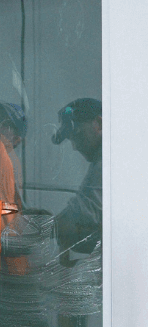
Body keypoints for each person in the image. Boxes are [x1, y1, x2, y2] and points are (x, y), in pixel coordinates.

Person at [52, 98, 102, 255]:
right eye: (71, 139)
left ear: (99, 123)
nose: (75, 146)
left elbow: (86, 215)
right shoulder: (99, 163)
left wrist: (47, 226)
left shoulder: (110, 162)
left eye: (77, 134)